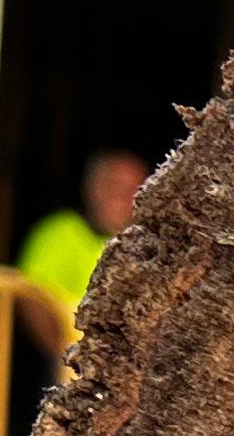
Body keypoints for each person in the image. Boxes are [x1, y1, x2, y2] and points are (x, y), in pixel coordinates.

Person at [16, 148, 145, 361]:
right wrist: (67, 357)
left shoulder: (150, 245)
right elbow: (32, 300)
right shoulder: (57, 232)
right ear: (92, 188)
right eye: (113, 186)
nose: (121, 196)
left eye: (132, 189)